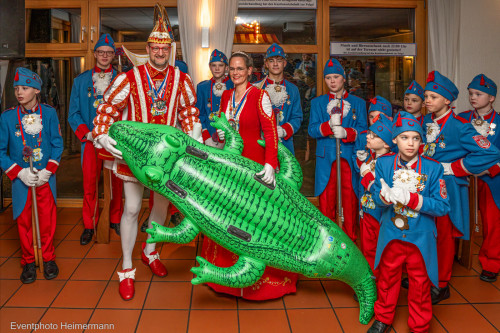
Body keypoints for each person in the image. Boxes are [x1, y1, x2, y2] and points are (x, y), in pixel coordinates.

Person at [92, 4, 202, 300]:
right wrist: (102, 134)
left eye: (164, 49)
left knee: (161, 207)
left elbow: (189, 111)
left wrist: (194, 134)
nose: (159, 53)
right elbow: (107, 108)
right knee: (130, 208)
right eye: (154, 47)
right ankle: (127, 268)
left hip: (167, 159)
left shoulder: (181, 79)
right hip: (135, 155)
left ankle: (150, 252)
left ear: (170, 50)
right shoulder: (129, 77)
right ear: (148, 48)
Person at [201, 51, 298, 300]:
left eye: (240, 69)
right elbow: (222, 124)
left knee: (256, 221)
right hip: (232, 167)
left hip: (255, 165)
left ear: (250, 71)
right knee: (230, 218)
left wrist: (270, 164)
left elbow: (271, 132)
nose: (235, 73)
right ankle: (226, 279)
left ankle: (262, 283)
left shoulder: (260, 95)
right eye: (232, 69)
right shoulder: (225, 96)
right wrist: (220, 133)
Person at [421, 70, 500, 303]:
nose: (427, 101)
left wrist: (455, 167)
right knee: (427, 232)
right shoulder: (425, 121)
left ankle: (442, 283)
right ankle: (428, 275)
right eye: (426, 96)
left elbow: (490, 152)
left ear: (447, 100)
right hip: (425, 186)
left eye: (432, 97)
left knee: (444, 234)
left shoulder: (459, 126)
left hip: (448, 188)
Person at [368, 111, 450, 333]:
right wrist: (383, 197)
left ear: (422, 141)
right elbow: (376, 196)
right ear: (394, 140)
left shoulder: (433, 168)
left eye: (416, 138)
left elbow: (443, 207)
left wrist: (414, 199)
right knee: (386, 278)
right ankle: (383, 317)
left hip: (420, 238)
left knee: (420, 283)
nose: (410, 143)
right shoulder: (384, 163)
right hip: (391, 234)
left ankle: (420, 325)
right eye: (404, 137)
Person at [0, 67, 63, 283]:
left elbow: (57, 144)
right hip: (22, 179)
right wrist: (19, 173)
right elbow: (1, 152)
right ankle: (28, 260)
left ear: (36, 90)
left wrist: (48, 170)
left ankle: (48, 258)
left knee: (47, 220)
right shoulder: (7, 118)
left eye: (25, 88)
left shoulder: (50, 113)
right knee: (24, 221)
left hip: (45, 176)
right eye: (16, 88)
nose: (19, 92)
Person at [68, 33, 123, 245]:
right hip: (90, 142)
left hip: (113, 142)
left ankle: (114, 219)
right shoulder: (80, 81)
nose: (105, 56)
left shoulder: (121, 80)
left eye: (109, 53)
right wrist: (88, 134)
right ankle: (89, 224)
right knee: (90, 184)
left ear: (113, 56)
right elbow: (73, 113)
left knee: (116, 182)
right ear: (95, 54)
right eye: (101, 52)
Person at [308, 58, 368, 242]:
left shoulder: (358, 103)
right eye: (328, 78)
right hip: (327, 160)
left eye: (336, 77)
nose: (332, 81)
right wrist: (327, 127)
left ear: (344, 79)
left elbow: (364, 131)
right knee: (326, 201)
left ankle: (350, 239)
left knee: (350, 200)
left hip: (349, 158)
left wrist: (347, 132)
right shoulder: (317, 103)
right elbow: (311, 129)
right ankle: (328, 241)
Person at [458, 74, 500, 282]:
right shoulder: (461, 118)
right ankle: (457, 256)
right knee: (457, 217)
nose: (473, 97)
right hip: (464, 177)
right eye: (471, 94)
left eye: (478, 94)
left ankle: (491, 262)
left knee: (492, 222)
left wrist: (489, 169)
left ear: (491, 97)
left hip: (492, 180)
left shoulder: (499, 122)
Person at [358, 114, 394, 270]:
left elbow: (380, 187)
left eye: (374, 136)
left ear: (386, 144)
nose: (368, 137)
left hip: (380, 213)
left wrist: (367, 175)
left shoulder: (390, 161)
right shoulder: (373, 156)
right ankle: (371, 279)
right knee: (367, 246)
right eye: (369, 133)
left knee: (380, 248)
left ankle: (379, 280)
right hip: (368, 210)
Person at [254, 43, 303, 154]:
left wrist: (285, 130)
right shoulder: (256, 87)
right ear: (266, 64)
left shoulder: (293, 89)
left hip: (285, 144)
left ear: (284, 63)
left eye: (279, 60)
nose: (275, 64)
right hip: (261, 144)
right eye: (271, 61)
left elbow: (297, 117)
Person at [196, 49, 233, 147]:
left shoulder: (234, 85)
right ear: (209, 67)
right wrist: (206, 136)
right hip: (209, 138)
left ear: (226, 68)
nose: (217, 68)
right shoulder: (202, 87)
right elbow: (200, 114)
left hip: (231, 138)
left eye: (220, 65)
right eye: (214, 65)